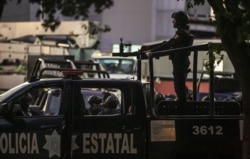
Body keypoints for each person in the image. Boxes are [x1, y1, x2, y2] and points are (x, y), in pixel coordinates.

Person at [141, 11, 193, 108]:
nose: (173, 22)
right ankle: (182, 102)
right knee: (179, 85)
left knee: (179, 86)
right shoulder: (182, 33)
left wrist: (152, 52)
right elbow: (169, 44)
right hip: (180, 62)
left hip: (180, 63)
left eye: (174, 20)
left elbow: (169, 44)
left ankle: (182, 106)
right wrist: (152, 51)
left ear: (179, 21)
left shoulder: (181, 34)